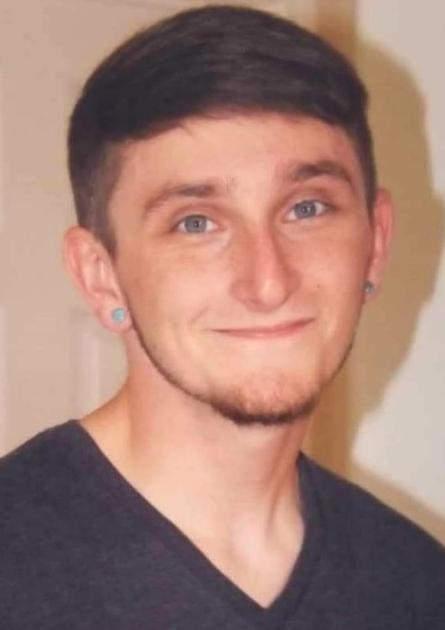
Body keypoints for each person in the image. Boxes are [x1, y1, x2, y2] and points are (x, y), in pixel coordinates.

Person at [1, 5, 444, 629]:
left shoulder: (417, 584)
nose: (268, 282)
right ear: (101, 275)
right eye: (196, 223)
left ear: (375, 243)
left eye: (307, 208)